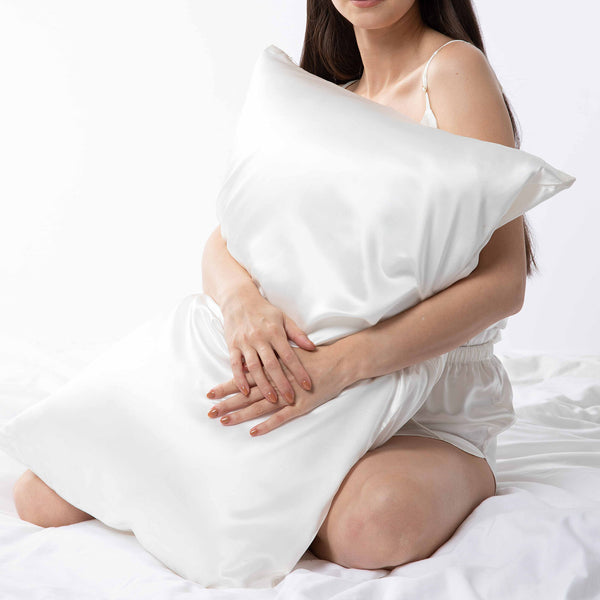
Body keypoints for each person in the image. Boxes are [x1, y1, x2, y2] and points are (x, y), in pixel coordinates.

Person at [13, 0, 529, 573]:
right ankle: (239, 490)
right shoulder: (322, 95)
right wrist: (242, 306)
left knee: (371, 527)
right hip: (289, 376)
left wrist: (343, 367)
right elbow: (225, 240)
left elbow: (504, 282)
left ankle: (443, 474)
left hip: (414, 393)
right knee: (44, 495)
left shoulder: (452, 69)